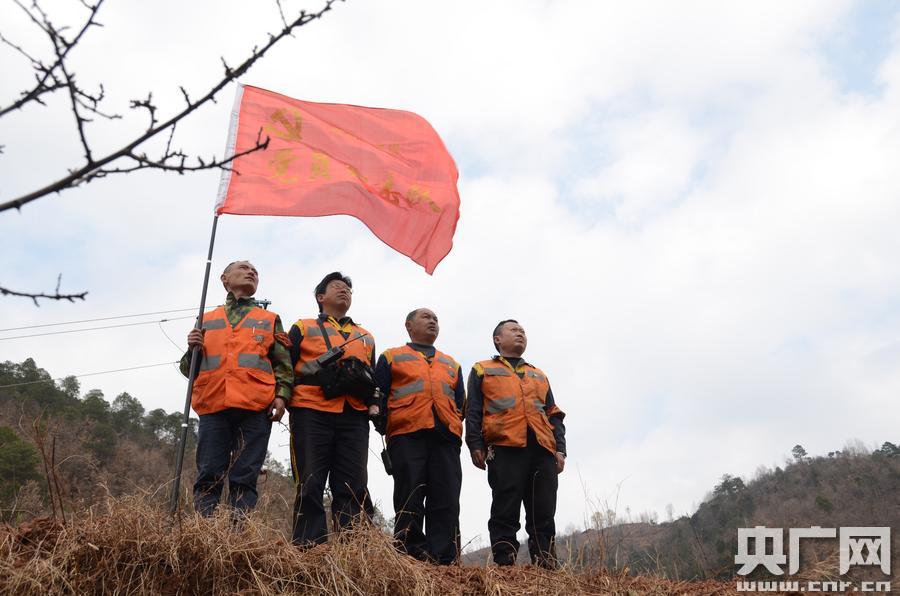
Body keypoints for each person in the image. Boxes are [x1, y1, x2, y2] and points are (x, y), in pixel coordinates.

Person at [180, 260, 293, 516]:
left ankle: (238, 533)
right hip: (213, 403)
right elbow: (189, 370)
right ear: (225, 279)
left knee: (245, 476)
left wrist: (282, 396)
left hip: (255, 407)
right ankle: (203, 530)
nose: (251, 272)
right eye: (243, 268)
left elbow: (283, 364)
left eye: (255, 271)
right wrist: (192, 348)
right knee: (209, 474)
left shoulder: (269, 319)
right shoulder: (206, 319)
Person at [465, 319, 567, 568]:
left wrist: (560, 449)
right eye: (513, 330)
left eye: (522, 331)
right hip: (504, 447)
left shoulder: (538, 374)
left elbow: (553, 413)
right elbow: (473, 410)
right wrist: (475, 444)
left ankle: (546, 565)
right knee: (505, 508)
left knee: (543, 512)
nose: (520, 333)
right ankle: (506, 564)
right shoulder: (482, 369)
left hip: (542, 449)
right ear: (497, 339)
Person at [287, 272, 377, 546]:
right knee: (310, 479)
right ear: (320, 297)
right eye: (337, 286)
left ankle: (355, 548)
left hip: (354, 414)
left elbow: (373, 377)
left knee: (354, 483)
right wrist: (281, 399)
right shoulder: (302, 327)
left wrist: (374, 405)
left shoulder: (366, 336)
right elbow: (286, 367)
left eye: (348, 288)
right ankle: (309, 546)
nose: (344, 290)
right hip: (311, 409)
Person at [373, 308, 465, 564]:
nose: (433, 321)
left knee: (446, 498)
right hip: (406, 434)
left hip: (445, 437)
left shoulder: (452, 363)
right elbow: (378, 394)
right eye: (426, 317)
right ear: (409, 325)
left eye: (436, 318)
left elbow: (461, 403)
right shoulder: (391, 356)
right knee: (409, 494)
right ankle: (410, 554)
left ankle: (444, 558)